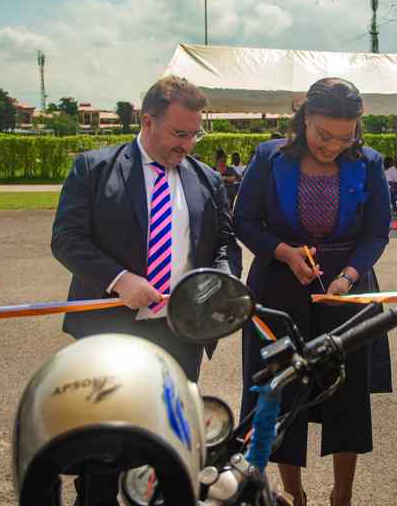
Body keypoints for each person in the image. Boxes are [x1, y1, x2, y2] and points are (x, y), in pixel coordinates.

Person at [51, 75, 242, 506]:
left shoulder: (207, 179)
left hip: (179, 335)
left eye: (195, 135)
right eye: (179, 134)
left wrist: (217, 283)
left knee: (168, 446)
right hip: (107, 334)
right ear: (148, 121)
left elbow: (225, 243)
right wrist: (119, 279)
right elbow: (66, 239)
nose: (187, 145)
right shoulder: (94, 169)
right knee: (103, 449)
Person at [234, 77, 392, 506]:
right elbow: (244, 220)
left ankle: (343, 493)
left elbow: (377, 232)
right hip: (279, 286)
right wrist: (284, 252)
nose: (333, 146)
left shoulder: (369, 163)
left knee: (348, 391)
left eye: (345, 137)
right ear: (304, 118)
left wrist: (351, 275)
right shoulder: (269, 157)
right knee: (281, 390)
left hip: (346, 288)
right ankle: (293, 493)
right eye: (324, 135)